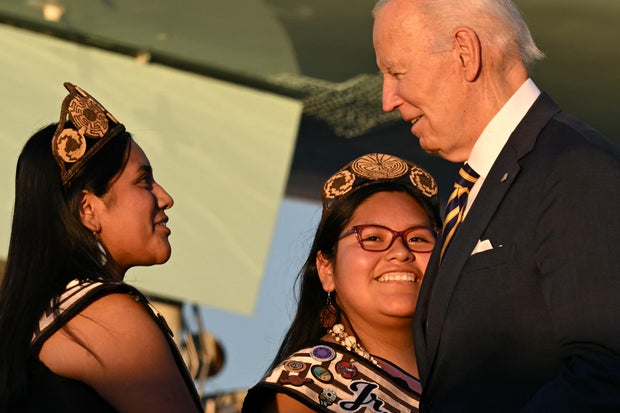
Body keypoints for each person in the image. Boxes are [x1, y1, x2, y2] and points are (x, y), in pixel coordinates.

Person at [373, 0, 620, 411]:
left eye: (397, 73)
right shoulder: (478, 186)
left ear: (465, 53)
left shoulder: (575, 167)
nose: (388, 99)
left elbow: (606, 369)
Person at [0, 82, 204, 412]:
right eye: (143, 181)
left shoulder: (33, 324)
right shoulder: (107, 317)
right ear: (88, 210)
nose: (165, 198)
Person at [243, 153, 442, 412]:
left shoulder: (480, 373)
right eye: (372, 238)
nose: (400, 251)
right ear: (326, 269)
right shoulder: (303, 393)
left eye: (418, 239)